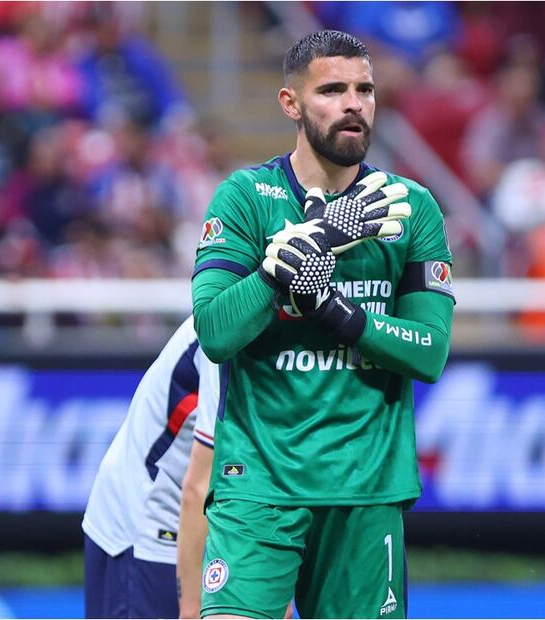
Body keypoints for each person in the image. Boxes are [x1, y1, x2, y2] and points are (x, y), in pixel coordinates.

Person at [191, 30, 454, 619]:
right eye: (332, 90)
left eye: (364, 89)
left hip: (368, 489)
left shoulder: (412, 207)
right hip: (259, 482)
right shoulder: (244, 198)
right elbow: (214, 332)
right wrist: (285, 269)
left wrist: (334, 312)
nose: (353, 103)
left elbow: (429, 352)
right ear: (291, 104)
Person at [82, 314, 219, 618]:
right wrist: (190, 607)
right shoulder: (224, 334)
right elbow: (198, 486)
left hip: (196, 513)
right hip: (145, 518)